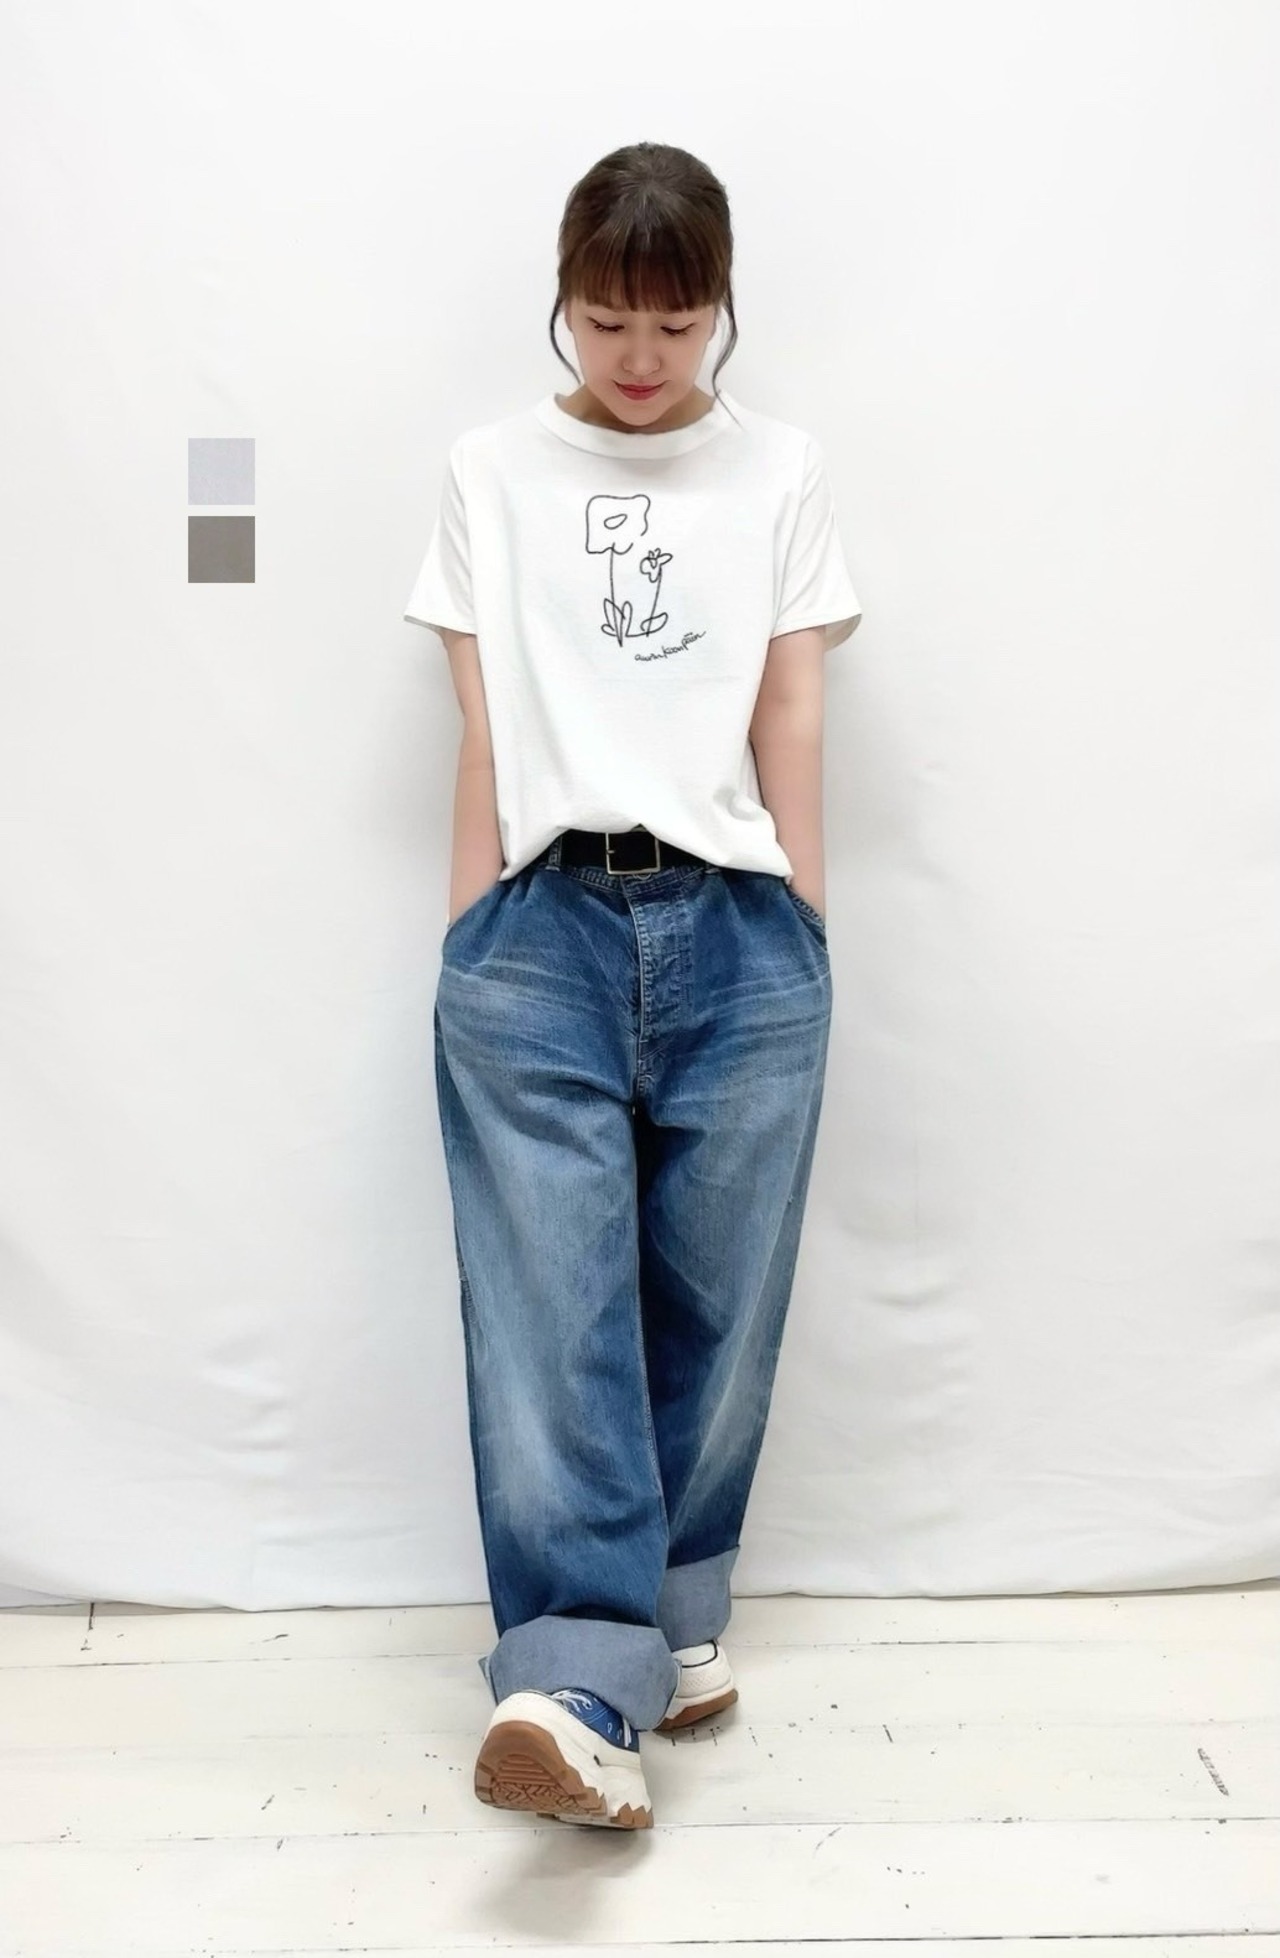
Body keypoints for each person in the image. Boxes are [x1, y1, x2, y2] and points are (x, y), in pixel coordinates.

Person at [402, 141, 862, 1830]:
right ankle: (578, 1680)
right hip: (540, 927)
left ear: (721, 305)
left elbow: (792, 704)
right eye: (607, 321)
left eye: (675, 323)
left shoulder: (781, 469)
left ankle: (671, 1610)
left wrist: (806, 921)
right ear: (564, 301)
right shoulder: (489, 470)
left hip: (741, 923)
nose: (642, 357)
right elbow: (484, 720)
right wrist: (471, 933)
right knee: (551, 1309)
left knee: (717, 1299)